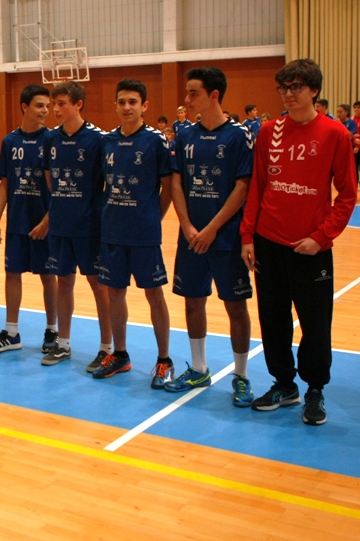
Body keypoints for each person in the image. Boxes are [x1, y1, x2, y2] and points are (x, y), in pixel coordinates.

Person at [240, 58, 356, 426]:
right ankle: (284, 384)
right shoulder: (268, 131)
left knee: (316, 325)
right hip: (268, 243)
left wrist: (321, 237)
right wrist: (248, 235)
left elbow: (347, 195)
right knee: (273, 321)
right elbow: (258, 187)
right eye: (283, 88)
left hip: (311, 249)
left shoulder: (335, 134)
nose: (288, 94)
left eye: (296, 87)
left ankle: (315, 390)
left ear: (314, 90)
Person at [165, 67, 255, 406]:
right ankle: (199, 368)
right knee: (192, 300)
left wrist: (212, 228)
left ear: (214, 95)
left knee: (235, 306)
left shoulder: (239, 135)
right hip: (191, 236)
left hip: (225, 237)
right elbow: (176, 183)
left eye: (194, 93)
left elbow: (242, 187)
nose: (187, 100)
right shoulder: (185, 135)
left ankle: (241, 376)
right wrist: (187, 226)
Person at [92, 80, 174, 388]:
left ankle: (164, 360)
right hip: (113, 232)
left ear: (144, 106)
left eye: (133, 102)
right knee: (115, 293)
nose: (127, 107)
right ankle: (121, 355)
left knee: (154, 294)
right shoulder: (107, 142)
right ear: (115, 105)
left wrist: (154, 217)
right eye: (122, 102)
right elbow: (102, 184)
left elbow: (168, 187)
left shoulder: (156, 141)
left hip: (144, 234)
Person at [39, 81, 109, 367]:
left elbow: (106, 181)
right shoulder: (51, 138)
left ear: (78, 104)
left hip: (89, 225)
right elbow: (49, 177)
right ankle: (63, 344)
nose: (55, 109)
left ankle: (107, 347)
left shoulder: (98, 139)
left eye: (62, 104)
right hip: (61, 224)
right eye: (54, 104)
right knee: (64, 281)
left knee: (98, 284)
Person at [0, 85, 58, 354]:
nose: (45, 111)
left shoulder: (52, 140)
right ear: (24, 106)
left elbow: (58, 187)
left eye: (48, 106)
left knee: (48, 276)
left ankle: (52, 330)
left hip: (44, 223)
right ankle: (12, 332)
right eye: (40, 105)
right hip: (18, 220)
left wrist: (48, 220)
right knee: (12, 273)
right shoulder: (9, 142)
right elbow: (4, 185)